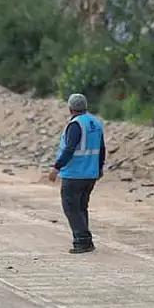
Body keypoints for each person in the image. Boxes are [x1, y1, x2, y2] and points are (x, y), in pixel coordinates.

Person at [48, 93, 106, 254]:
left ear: (70, 109)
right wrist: (99, 168)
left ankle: (82, 240)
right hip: (90, 174)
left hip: (74, 174)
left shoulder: (75, 125)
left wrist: (56, 167)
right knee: (81, 207)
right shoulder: (95, 122)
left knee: (71, 207)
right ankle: (84, 240)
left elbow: (69, 148)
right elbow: (102, 149)